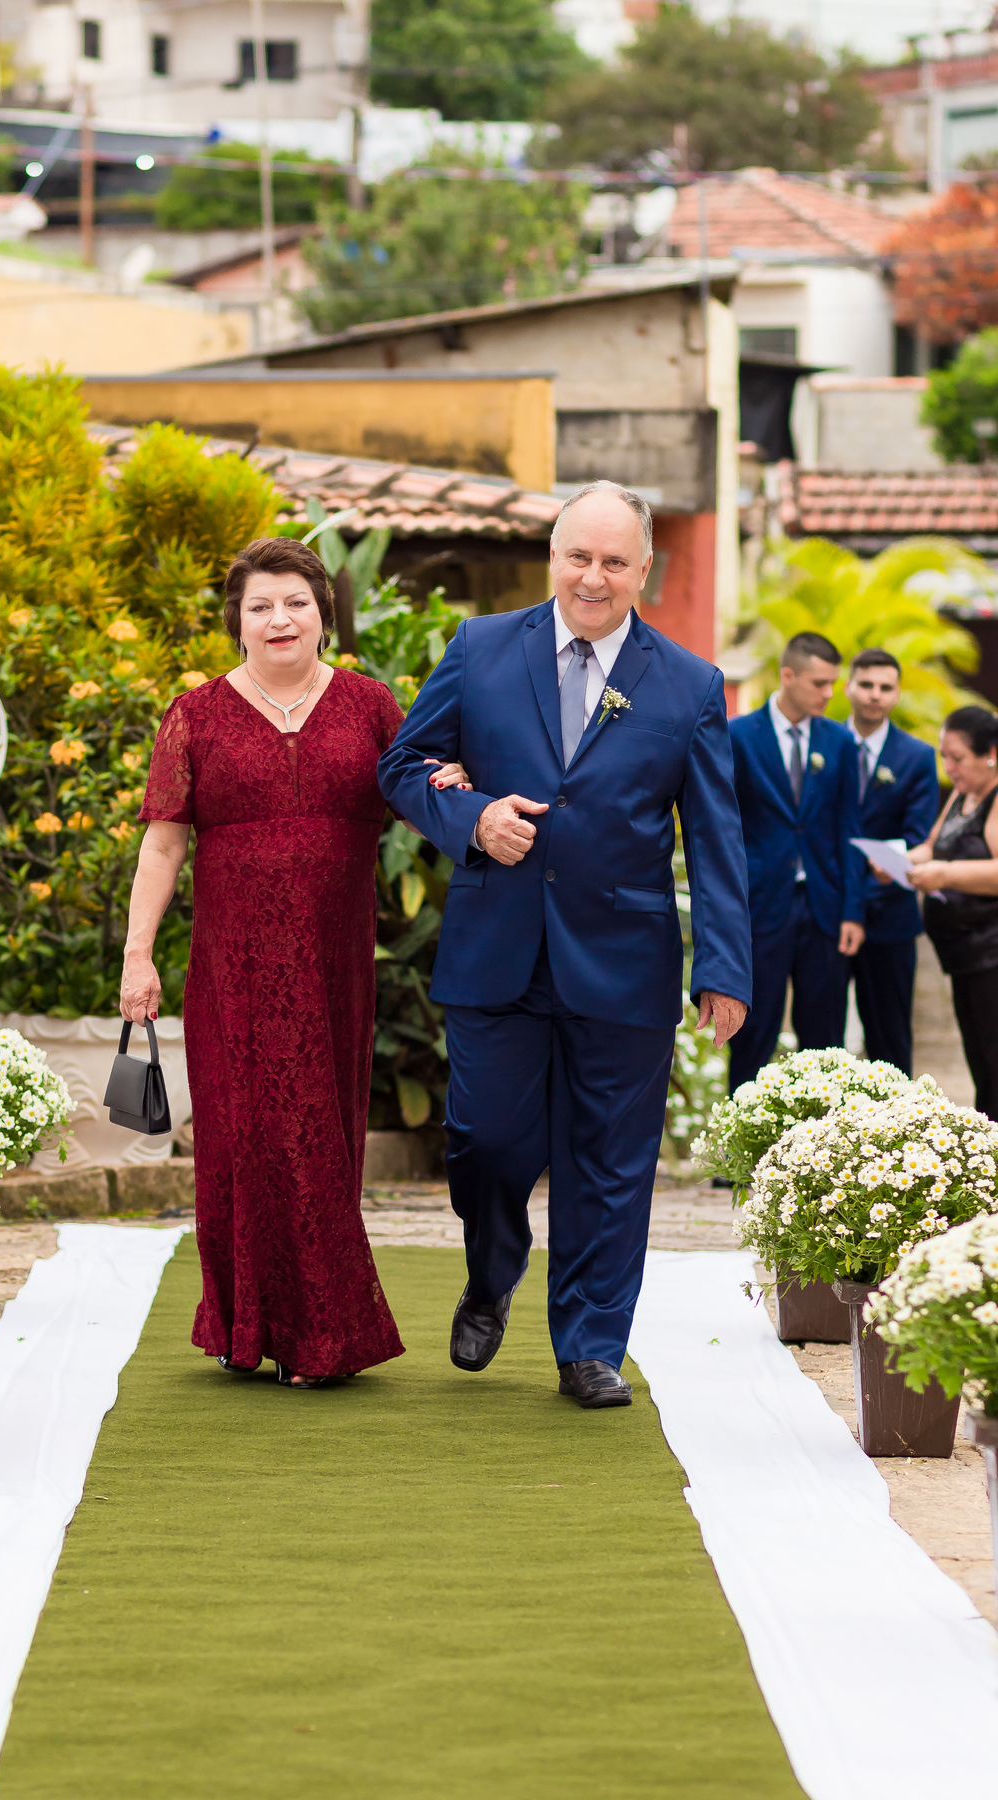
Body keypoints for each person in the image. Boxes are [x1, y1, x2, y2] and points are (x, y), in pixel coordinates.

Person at [377, 480, 751, 1410]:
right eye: (579, 556)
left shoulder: (691, 685)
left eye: (614, 561)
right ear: (553, 556)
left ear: (643, 570)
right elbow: (403, 765)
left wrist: (725, 967)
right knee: (485, 1144)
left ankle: (589, 1345)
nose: (593, 576)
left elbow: (717, 838)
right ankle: (492, 1269)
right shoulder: (480, 648)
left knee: (611, 1164)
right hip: (494, 947)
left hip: (625, 962)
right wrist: (471, 817)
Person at [119, 536, 468, 1389]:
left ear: (323, 615)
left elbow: (417, 797)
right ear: (237, 622)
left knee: (320, 1135)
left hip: (334, 969)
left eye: (296, 603)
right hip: (232, 971)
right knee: (242, 1142)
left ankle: (319, 1334)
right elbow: (163, 845)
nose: (280, 619)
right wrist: (138, 956)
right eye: (261, 606)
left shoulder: (370, 705)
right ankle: (247, 1327)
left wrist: (454, 785)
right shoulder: (195, 714)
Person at [727, 633, 866, 1094]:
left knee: (824, 1042)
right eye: (819, 683)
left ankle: (820, 1139)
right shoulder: (739, 736)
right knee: (752, 1036)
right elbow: (724, 827)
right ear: (788, 676)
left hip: (823, 909)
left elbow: (849, 829)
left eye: (833, 683)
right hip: (760, 907)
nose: (830, 693)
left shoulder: (839, 741)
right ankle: (740, 1140)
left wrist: (852, 910)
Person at [844, 649, 939, 1075]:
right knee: (821, 1038)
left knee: (891, 1044)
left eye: (885, 687)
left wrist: (864, 897)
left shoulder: (917, 756)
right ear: (848, 687)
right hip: (829, 917)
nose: (875, 695)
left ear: (897, 694)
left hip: (890, 917)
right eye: (866, 684)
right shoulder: (824, 745)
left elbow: (917, 839)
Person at [908, 706, 998, 1120]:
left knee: (994, 1063)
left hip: (991, 954)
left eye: (957, 758)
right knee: (979, 1059)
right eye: (944, 756)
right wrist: (899, 860)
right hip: (962, 957)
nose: (949, 767)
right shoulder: (962, 795)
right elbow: (933, 846)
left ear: (990, 754)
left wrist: (945, 874)